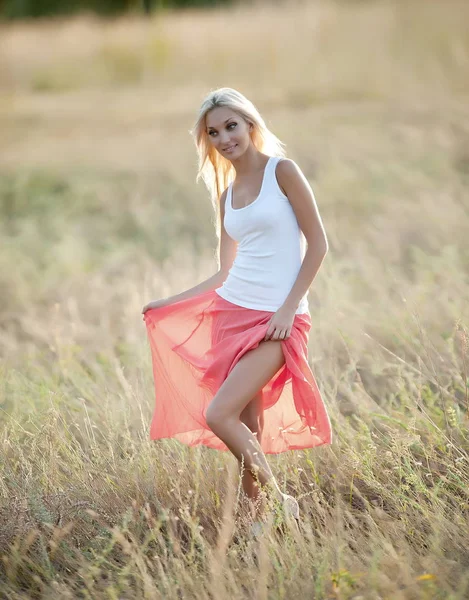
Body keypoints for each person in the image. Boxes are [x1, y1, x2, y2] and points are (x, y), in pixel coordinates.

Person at [142, 87, 332, 532]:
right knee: (248, 423)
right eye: (214, 132)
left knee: (218, 414)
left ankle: (281, 500)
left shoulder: (282, 171)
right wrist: (168, 303)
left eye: (231, 125)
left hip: (279, 319)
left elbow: (318, 245)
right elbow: (224, 272)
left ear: (250, 124)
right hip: (232, 313)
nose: (225, 137)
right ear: (207, 141)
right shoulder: (226, 193)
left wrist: (288, 311)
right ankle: (257, 519)